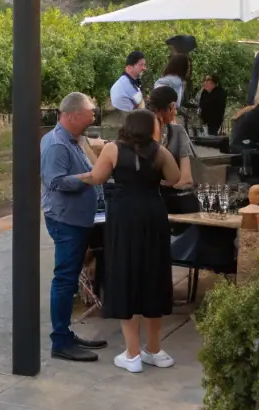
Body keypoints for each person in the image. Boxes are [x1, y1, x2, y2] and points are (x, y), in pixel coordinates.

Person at [76, 109, 181, 373]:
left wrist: (74, 178)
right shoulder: (160, 152)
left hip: (124, 217)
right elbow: (175, 178)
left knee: (126, 275)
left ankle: (132, 354)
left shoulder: (113, 149)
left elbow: (97, 177)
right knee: (153, 275)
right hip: (153, 215)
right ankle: (154, 350)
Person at [40, 92, 108, 363]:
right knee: (65, 280)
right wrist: (90, 177)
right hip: (66, 220)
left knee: (69, 280)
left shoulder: (73, 139)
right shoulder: (57, 145)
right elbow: (55, 181)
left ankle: (66, 334)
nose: (93, 116)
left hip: (76, 218)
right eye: (89, 113)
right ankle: (60, 341)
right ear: (71, 115)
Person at [147, 85, 195, 186]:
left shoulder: (177, 132)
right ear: (171, 107)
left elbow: (186, 178)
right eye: (174, 107)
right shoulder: (140, 131)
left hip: (165, 191)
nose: (175, 112)